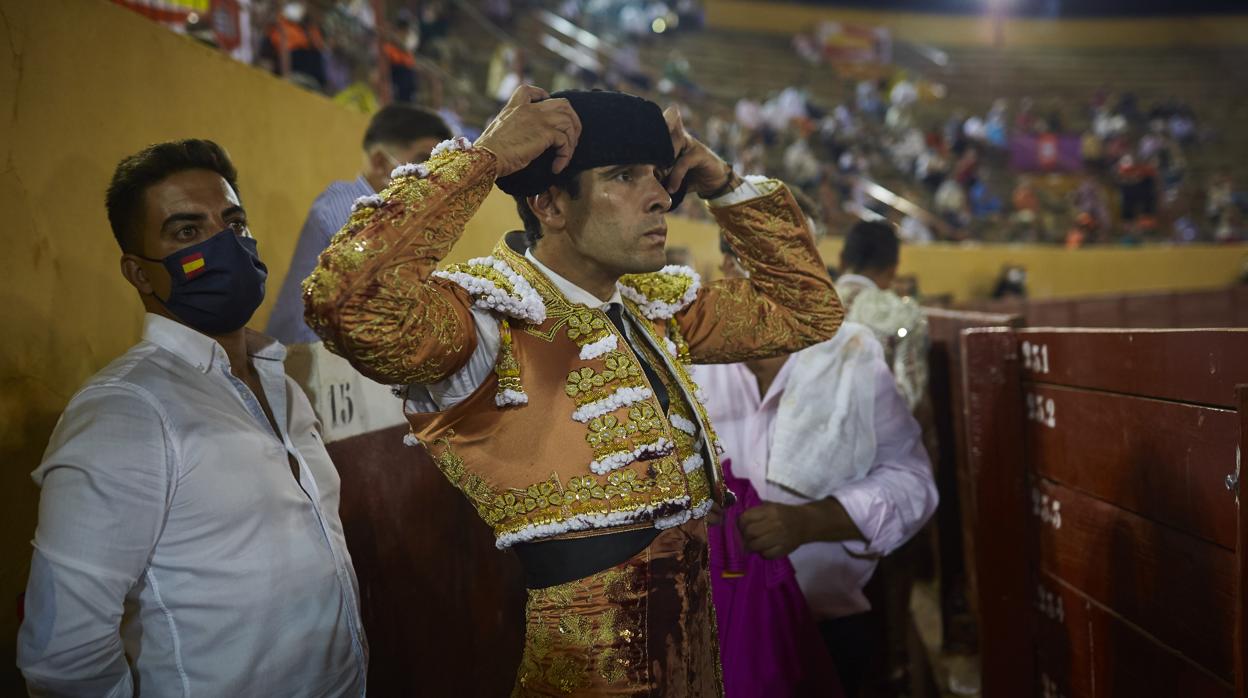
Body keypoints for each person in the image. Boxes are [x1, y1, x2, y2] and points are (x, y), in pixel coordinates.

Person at [302, 85, 843, 695]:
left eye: (660, 176)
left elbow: (807, 312)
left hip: (697, 658)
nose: (663, 196)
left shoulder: (651, 308)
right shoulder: (492, 317)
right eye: (624, 175)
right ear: (550, 205)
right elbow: (348, 305)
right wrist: (482, 160)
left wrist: (724, 184)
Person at [16, 140, 367, 695]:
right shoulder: (125, 412)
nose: (223, 244)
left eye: (233, 222)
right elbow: (65, 658)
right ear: (139, 273)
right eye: (186, 232)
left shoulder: (284, 389)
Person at [695, 300, 937, 696]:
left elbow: (912, 483)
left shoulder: (852, 355)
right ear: (726, 269)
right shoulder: (686, 354)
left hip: (827, 627)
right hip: (708, 633)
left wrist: (810, 522)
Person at [267, 104, 452, 345]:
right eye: (424, 160)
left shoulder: (397, 219)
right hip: (305, 359)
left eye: (440, 164)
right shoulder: (345, 205)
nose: (434, 174)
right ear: (379, 163)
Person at [836, 221, 928, 411]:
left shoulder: (805, 304)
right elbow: (908, 395)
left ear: (841, 261)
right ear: (893, 268)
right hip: (874, 434)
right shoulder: (904, 313)